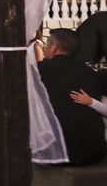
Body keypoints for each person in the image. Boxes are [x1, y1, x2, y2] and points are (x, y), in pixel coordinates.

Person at [38, 28, 106, 166]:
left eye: (47, 44)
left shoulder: (39, 69)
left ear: (54, 46)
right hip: (94, 152)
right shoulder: (92, 73)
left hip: (55, 153)